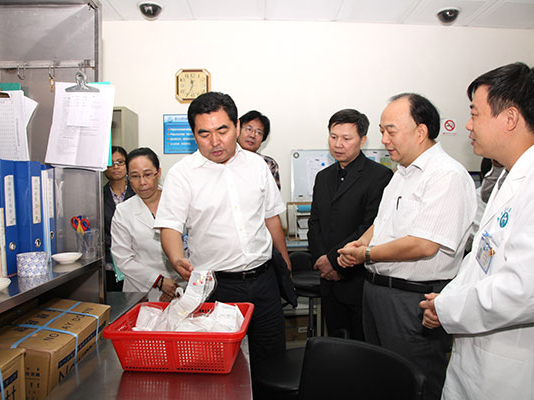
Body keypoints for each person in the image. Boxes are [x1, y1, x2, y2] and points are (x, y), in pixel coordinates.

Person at [419, 62, 534, 399]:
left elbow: (526, 292)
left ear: (510, 118)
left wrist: (449, 309)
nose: (468, 125)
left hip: (519, 374)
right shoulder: (511, 177)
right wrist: (448, 299)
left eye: (475, 114)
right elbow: (483, 258)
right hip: (478, 359)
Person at [337, 93, 476, 400]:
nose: (384, 140)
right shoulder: (401, 174)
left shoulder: (446, 175)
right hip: (378, 293)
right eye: (382, 131)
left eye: (391, 131)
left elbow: (424, 245)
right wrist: (361, 242)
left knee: (416, 382)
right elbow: (384, 222)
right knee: (383, 380)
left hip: (412, 300)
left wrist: (365, 254)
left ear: (421, 131)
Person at [154, 92, 291, 371]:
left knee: (272, 359)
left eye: (222, 130)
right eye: (204, 134)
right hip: (217, 286)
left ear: (237, 126)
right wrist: (177, 258)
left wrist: (285, 261)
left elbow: (271, 218)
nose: (215, 142)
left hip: (264, 281)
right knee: (221, 365)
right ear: (193, 134)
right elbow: (170, 226)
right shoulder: (182, 174)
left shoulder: (257, 165)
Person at [308, 108, 393, 340]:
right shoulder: (323, 177)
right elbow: (314, 223)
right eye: (333, 137)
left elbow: (370, 227)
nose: (338, 144)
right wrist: (322, 262)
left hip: (356, 279)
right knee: (335, 342)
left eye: (346, 138)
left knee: (360, 346)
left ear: (362, 140)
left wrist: (334, 262)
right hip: (328, 280)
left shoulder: (379, 176)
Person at [111, 147, 182, 302]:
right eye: (135, 176)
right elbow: (123, 260)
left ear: (158, 172)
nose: (142, 182)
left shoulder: (178, 202)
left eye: (148, 174)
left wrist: (174, 286)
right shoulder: (123, 211)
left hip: (182, 287)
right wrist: (160, 282)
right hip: (142, 291)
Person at [103, 146, 135, 291]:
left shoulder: (138, 192)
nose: (115, 167)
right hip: (110, 264)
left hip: (138, 259)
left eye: (120, 162)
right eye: (111, 163)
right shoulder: (98, 195)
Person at [237, 110, 281, 189]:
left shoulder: (268, 164)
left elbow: (273, 196)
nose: (252, 135)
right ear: (237, 130)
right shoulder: (224, 158)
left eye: (259, 132)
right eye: (249, 129)